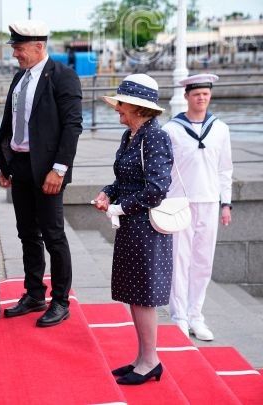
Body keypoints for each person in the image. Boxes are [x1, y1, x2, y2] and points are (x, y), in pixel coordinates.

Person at [0, 20, 82, 327]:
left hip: (48, 169)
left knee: (53, 235)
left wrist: (59, 169)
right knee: (27, 234)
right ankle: (34, 294)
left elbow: (72, 126)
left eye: (19, 48)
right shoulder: (20, 78)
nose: (15, 54)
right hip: (20, 166)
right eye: (15, 48)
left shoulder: (63, 77)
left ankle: (60, 300)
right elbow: (11, 122)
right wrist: (5, 164)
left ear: (39, 46)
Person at [93, 73, 173, 385]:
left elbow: (156, 189)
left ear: (138, 108)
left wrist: (118, 207)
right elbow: (125, 180)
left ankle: (150, 360)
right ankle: (143, 357)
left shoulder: (155, 136)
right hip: (132, 225)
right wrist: (107, 193)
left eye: (121, 104)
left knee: (143, 297)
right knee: (135, 295)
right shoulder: (132, 135)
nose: (117, 109)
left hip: (145, 227)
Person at [162, 73, 233, 341]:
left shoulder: (221, 129)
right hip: (180, 203)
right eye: (196, 94)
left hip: (209, 202)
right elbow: (165, 170)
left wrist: (226, 203)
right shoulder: (172, 129)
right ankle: (178, 315)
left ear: (210, 96)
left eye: (205, 94)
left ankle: (196, 315)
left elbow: (225, 169)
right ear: (187, 96)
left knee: (203, 262)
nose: (201, 98)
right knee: (179, 261)